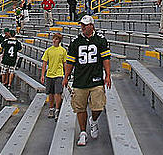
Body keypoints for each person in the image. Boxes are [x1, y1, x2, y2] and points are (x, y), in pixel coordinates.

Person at [63, 15, 111, 147]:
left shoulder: (100, 40)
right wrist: (66, 76)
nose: (83, 27)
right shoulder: (76, 41)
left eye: (85, 25)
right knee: (80, 108)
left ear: (92, 25)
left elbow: (106, 58)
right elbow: (70, 61)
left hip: (96, 78)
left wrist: (107, 75)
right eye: (82, 25)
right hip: (80, 79)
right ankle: (83, 132)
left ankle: (93, 120)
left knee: (98, 106)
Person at [41, 32, 67, 118]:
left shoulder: (63, 51)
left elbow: (65, 63)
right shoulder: (48, 50)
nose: (54, 40)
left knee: (57, 93)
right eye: (53, 39)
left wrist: (66, 76)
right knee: (50, 93)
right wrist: (42, 75)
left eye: (56, 39)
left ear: (59, 40)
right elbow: (44, 63)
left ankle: (57, 109)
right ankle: (51, 108)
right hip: (49, 74)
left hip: (59, 74)